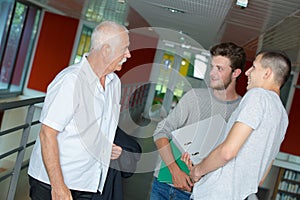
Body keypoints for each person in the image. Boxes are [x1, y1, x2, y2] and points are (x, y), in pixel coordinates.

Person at [28, 21, 131, 200]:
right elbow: (47, 134)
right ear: (106, 50)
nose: (128, 54)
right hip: (54, 184)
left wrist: (106, 148)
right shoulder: (71, 81)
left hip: (90, 184)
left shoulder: (114, 83)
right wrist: (58, 186)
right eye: (125, 48)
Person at [182, 50, 291, 200]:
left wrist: (198, 171)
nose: (247, 73)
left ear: (267, 74)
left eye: (253, 67)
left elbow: (228, 152)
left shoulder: (258, 96)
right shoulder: (282, 115)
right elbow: (263, 172)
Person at [150, 42, 246, 200]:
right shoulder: (194, 97)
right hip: (164, 184)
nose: (212, 73)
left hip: (199, 194)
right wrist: (175, 171)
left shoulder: (241, 110)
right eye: (212, 66)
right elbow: (161, 132)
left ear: (235, 73)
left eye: (219, 69)